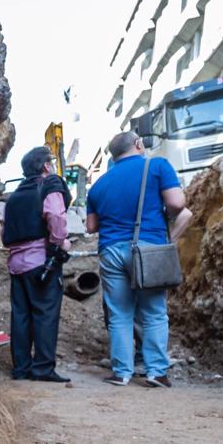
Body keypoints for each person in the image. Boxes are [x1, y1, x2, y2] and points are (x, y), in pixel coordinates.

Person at [86, 132, 193, 387]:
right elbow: (178, 203)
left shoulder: (99, 184)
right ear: (138, 144)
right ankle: (156, 371)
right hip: (147, 248)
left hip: (111, 250)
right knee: (153, 312)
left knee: (119, 313)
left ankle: (121, 372)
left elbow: (91, 226)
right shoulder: (156, 165)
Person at [3, 146, 72, 383]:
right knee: (45, 314)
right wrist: (60, 242)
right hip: (41, 262)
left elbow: (6, 231)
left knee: (20, 315)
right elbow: (56, 217)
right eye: (51, 161)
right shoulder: (49, 186)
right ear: (45, 166)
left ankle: (21, 368)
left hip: (16, 263)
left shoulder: (14, 196)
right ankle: (42, 369)